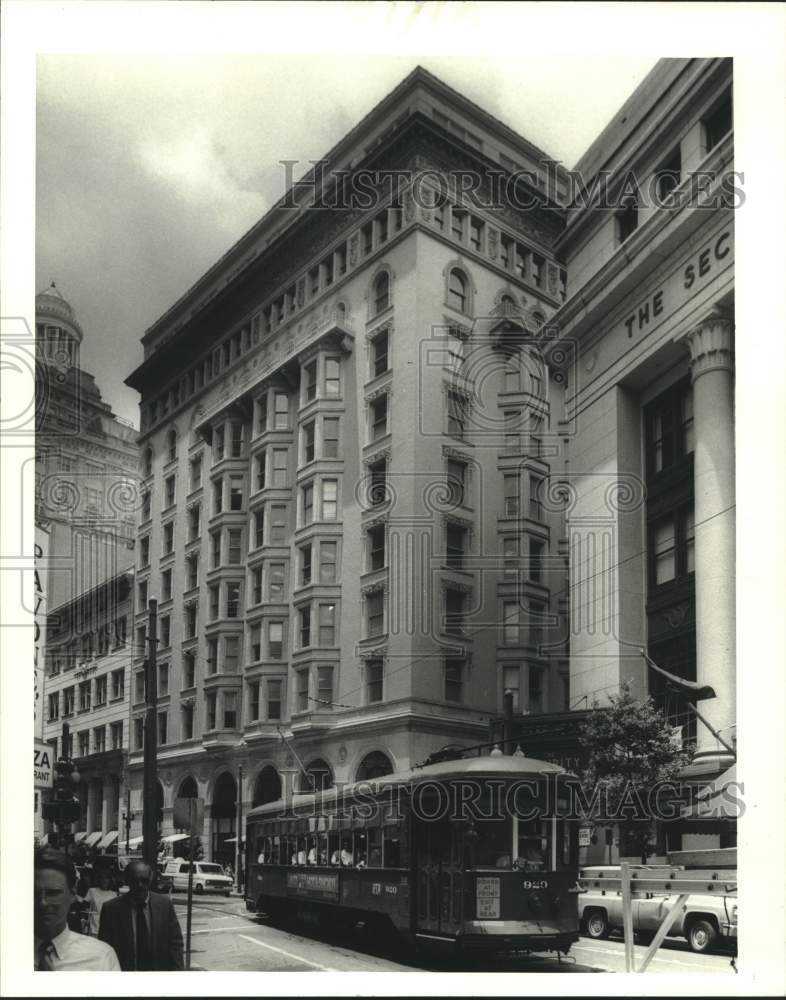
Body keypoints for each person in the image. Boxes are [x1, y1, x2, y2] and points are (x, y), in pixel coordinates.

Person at [34, 848, 121, 971]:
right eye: (34, 893)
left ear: (72, 894)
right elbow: (85, 904)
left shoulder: (101, 958)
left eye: (53, 893)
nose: (42, 903)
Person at [98, 859, 184, 970]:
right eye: (135, 881)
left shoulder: (164, 905)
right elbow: (105, 948)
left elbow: (175, 944)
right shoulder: (111, 909)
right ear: (127, 880)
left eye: (144, 881)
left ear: (150, 880)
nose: (140, 885)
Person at [86, 868, 117, 936]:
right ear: (99, 880)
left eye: (106, 878)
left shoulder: (113, 894)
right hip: (93, 929)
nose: (104, 881)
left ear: (110, 880)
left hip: (108, 930)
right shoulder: (92, 891)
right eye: (102, 878)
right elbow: (85, 908)